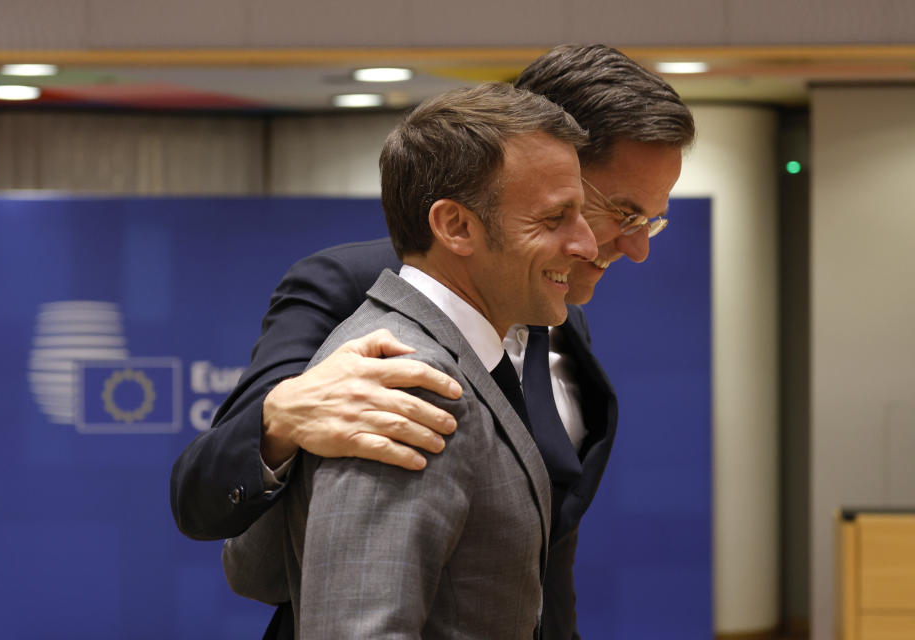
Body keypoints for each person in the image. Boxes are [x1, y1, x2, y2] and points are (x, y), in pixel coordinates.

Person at [171, 44, 695, 638]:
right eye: (617, 212)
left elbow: (538, 559)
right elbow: (215, 509)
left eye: (650, 220)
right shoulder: (367, 308)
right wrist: (277, 419)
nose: (634, 246)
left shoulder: (559, 312)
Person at [258, 82, 596, 636]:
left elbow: (253, 565)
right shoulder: (410, 380)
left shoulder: (422, 356)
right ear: (456, 226)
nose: (585, 245)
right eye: (555, 218)